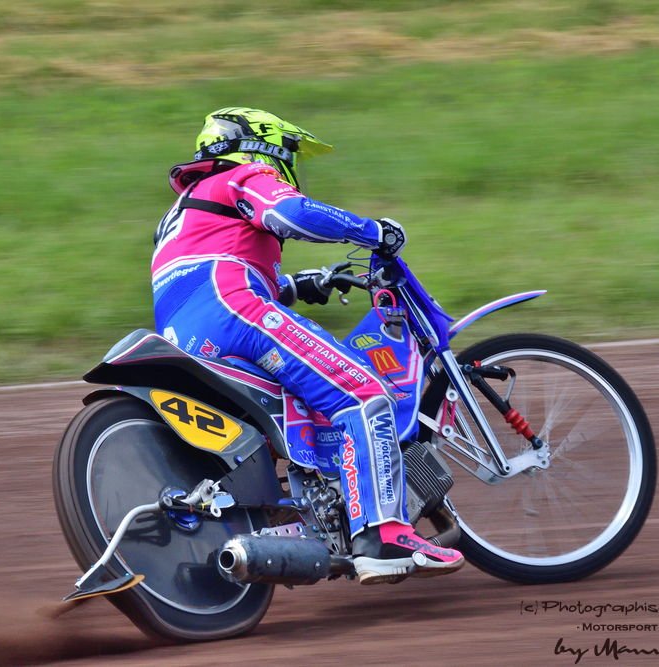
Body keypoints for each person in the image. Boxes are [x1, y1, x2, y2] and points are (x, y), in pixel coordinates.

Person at [151, 107, 463, 584]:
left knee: (299, 406)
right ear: (266, 145)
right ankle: (383, 535)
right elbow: (288, 213)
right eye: (291, 152)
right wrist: (373, 231)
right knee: (362, 393)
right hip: (233, 307)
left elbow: (215, 266)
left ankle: (305, 515)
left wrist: (299, 285)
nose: (292, 166)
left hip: (189, 335)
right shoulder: (242, 174)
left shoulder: (181, 211)